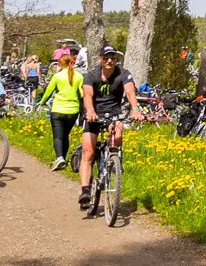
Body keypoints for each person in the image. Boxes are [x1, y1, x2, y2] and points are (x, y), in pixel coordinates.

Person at [78, 45, 143, 210]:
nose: (110, 61)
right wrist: (90, 111)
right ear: (100, 59)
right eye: (106, 57)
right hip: (93, 114)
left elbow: (130, 93)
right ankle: (85, 190)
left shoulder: (123, 74)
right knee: (88, 151)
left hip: (113, 114)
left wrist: (135, 110)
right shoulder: (91, 75)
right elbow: (87, 95)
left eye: (113, 57)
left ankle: (113, 159)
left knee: (118, 135)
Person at [39, 47, 83, 171]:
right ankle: (63, 158)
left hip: (58, 109)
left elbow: (48, 91)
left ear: (60, 64)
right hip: (72, 111)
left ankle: (59, 158)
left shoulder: (57, 76)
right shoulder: (79, 76)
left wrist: (42, 102)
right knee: (66, 135)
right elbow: (82, 93)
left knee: (58, 136)